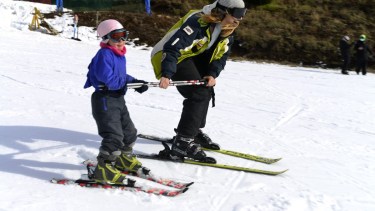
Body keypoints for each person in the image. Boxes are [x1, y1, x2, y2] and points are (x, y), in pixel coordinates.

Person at [151, 0, 247, 161]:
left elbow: (222, 55)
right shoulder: (198, 20)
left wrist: (212, 74)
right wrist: (167, 73)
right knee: (199, 93)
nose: (240, 19)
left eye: (244, 14)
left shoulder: (227, 29)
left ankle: (193, 132)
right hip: (170, 56)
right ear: (223, 10)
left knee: (205, 88)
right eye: (237, 14)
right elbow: (173, 47)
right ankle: (183, 142)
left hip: (191, 56)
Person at [84, 19, 149, 183]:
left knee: (130, 133)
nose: (121, 40)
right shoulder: (104, 55)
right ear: (106, 39)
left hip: (118, 99)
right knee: (114, 136)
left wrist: (136, 81)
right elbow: (109, 80)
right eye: (116, 37)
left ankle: (122, 159)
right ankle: (103, 169)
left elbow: (121, 77)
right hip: (105, 100)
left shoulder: (118, 55)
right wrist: (128, 83)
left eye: (124, 35)